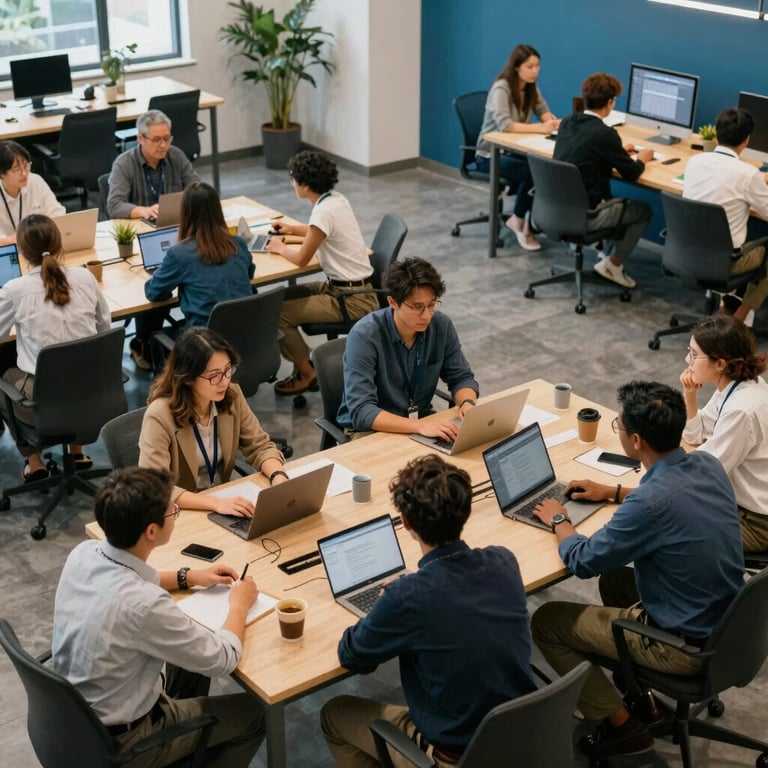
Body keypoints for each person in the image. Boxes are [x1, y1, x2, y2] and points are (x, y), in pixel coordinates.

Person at [531, 381, 744, 762]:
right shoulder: (707, 464)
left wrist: (559, 520)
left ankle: (622, 726)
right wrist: (613, 493)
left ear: (635, 441)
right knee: (616, 579)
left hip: (684, 647)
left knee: (548, 622)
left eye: (619, 427)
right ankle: (640, 693)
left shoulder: (648, 504)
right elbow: (670, 497)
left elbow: (582, 561)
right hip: (727, 624)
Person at [321, 454, 536, 767]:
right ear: (466, 511)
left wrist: (387, 604)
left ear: (406, 523)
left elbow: (351, 655)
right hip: (521, 736)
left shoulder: (405, 597)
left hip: (459, 757)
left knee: (335, 715)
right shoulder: (504, 561)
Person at [52, 466, 265, 767]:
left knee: (190, 656)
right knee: (257, 714)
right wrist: (239, 605)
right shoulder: (145, 605)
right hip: (127, 741)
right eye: (172, 511)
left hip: (77, 719)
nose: (175, 514)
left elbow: (133, 577)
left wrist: (188, 576)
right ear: (152, 531)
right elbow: (222, 659)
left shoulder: (84, 553)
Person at [0, 214, 110, 481]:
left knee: (5, 376)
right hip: (92, 394)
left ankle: (34, 462)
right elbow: (104, 330)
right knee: (73, 360)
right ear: (60, 245)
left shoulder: (15, 290)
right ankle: (77, 451)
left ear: (21, 252)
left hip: (45, 403)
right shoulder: (85, 278)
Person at [138, 326, 287, 518]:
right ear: (187, 378)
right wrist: (216, 503)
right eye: (214, 376)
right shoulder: (159, 415)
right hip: (180, 511)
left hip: (222, 500)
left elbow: (259, 446)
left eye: (227, 370)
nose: (224, 382)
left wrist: (278, 476)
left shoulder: (232, 395)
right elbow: (155, 486)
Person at [266, 150, 378, 396]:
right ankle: (305, 365)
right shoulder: (335, 199)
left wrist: (279, 247)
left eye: (294, 178)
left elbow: (302, 259)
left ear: (306, 185)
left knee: (278, 314)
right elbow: (317, 229)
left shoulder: (323, 211)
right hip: (352, 288)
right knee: (277, 298)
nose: (292, 183)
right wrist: (291, 228)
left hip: (352, 300)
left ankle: (307, 373)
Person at [336, 257, 478, 441]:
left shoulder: (441, 325)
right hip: (371, 429)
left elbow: (461, 377)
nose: (426, 316)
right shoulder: (365, 336)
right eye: (417, 307)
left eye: (432, 304)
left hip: (420, 420)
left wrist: (467, 403)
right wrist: (420, 426)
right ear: (393, 302)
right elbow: (362, 411)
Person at [107, 109, 200, 369]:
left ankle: (157, 339)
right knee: (152, 280)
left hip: (177, 233)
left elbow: (197, 188)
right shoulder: (124, 163)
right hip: (141, 239)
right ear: (140, 138)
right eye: (156, 139)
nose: (163, 145)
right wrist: (143, 210)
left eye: (167, 138)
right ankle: (144, 342)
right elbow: (114, 205)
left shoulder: (176, 156)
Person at [554, 73, 653, 289]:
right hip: (587, 216)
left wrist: (617, 151)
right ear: (610, 103)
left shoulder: (568, 122)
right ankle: (613, 264)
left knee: (617, 204)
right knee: (643, 210)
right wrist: (642, 158)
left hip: (555, 209)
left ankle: (606, 255)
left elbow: (587, 150)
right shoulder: (605, 134)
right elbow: (632, 173)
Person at [680, 315, 768, 551]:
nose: (687, 360)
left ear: (720, 364)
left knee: (671, 530)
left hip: (756, 523)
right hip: (736, 503)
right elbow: (695, 434)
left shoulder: (741, 409)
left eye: (694, 354)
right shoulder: (735, 385)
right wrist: (690, 394)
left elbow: (704, 473)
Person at [683, 107, 768, 325]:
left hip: (685, 251)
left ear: (717, 133)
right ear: (747, 140)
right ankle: (738, 319)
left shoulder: (694, 162)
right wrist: (759, 184)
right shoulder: (748, 174)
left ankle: (727, 307)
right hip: (725, 261)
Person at [474, 44, 560, 251]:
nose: (535, 71)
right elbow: (505, 125)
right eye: (530, 67)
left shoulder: (531, 87)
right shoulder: (501, 89)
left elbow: (542, 109)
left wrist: (550, 121)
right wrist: (540, 128)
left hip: (513, 150)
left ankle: (530, 220)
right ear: (516, 67)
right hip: (489, 155)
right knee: (532, 172)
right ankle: (518, 219)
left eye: (537, 66)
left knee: (544, 167)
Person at [144, 180, 255, 327]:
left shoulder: (179, 254)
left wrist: (163, 275)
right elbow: (250, 273)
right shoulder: (238, 243)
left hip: (204, 338)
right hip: (246, 332)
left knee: (153, 334)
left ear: (185, 214)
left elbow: (153, 292)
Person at [0, 140, 64, 244]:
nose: (24, 173)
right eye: (16, 169)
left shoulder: (35, 181)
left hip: (39, 245)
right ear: (2, 174)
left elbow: (57, 213)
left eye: (26, 165)